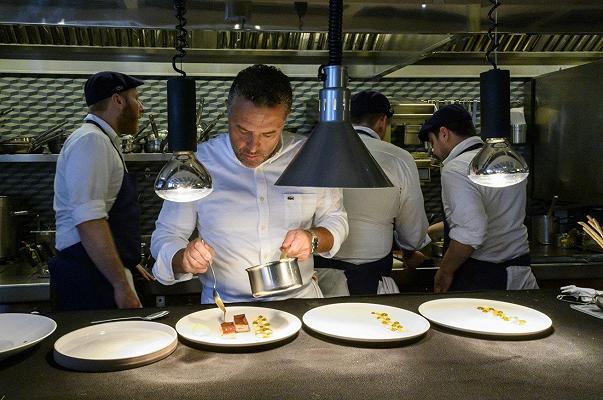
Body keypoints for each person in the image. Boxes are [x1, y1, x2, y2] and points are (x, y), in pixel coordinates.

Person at [150, 64, 348, 303]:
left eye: (268, 134)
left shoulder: (312, 156)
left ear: (286, 118)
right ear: (227, 110)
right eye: (242, 130)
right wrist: (183, 258)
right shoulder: (198, 163)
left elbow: (336, 219)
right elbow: (167, 234)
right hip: (225, 306)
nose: (253, 147)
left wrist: (312, 239)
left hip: (298, 302)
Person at [50, 71, 152, 311]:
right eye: (136, 98)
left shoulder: (102, 141)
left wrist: (126, 259)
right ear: (118, 100)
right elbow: (89, 221)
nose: (142, 107)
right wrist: (121, 285)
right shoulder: (91, 141)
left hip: (96, 271)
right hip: (88, 277)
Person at [314, 91, 430, 295]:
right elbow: (413, 234)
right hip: (373, 284)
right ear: (382, 122)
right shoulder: (400, 159)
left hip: (321, 281)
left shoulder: (317, 152)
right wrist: (410, 248)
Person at [418, 104, 538, 293]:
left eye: (432, 143)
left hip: (484, 279)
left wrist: (445, 271)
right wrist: (432, 231)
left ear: (443, 133)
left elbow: (471, 231)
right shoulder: (507, 160)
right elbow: (489, 214)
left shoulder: (456, 168)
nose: (433, 151)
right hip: (520, 274)